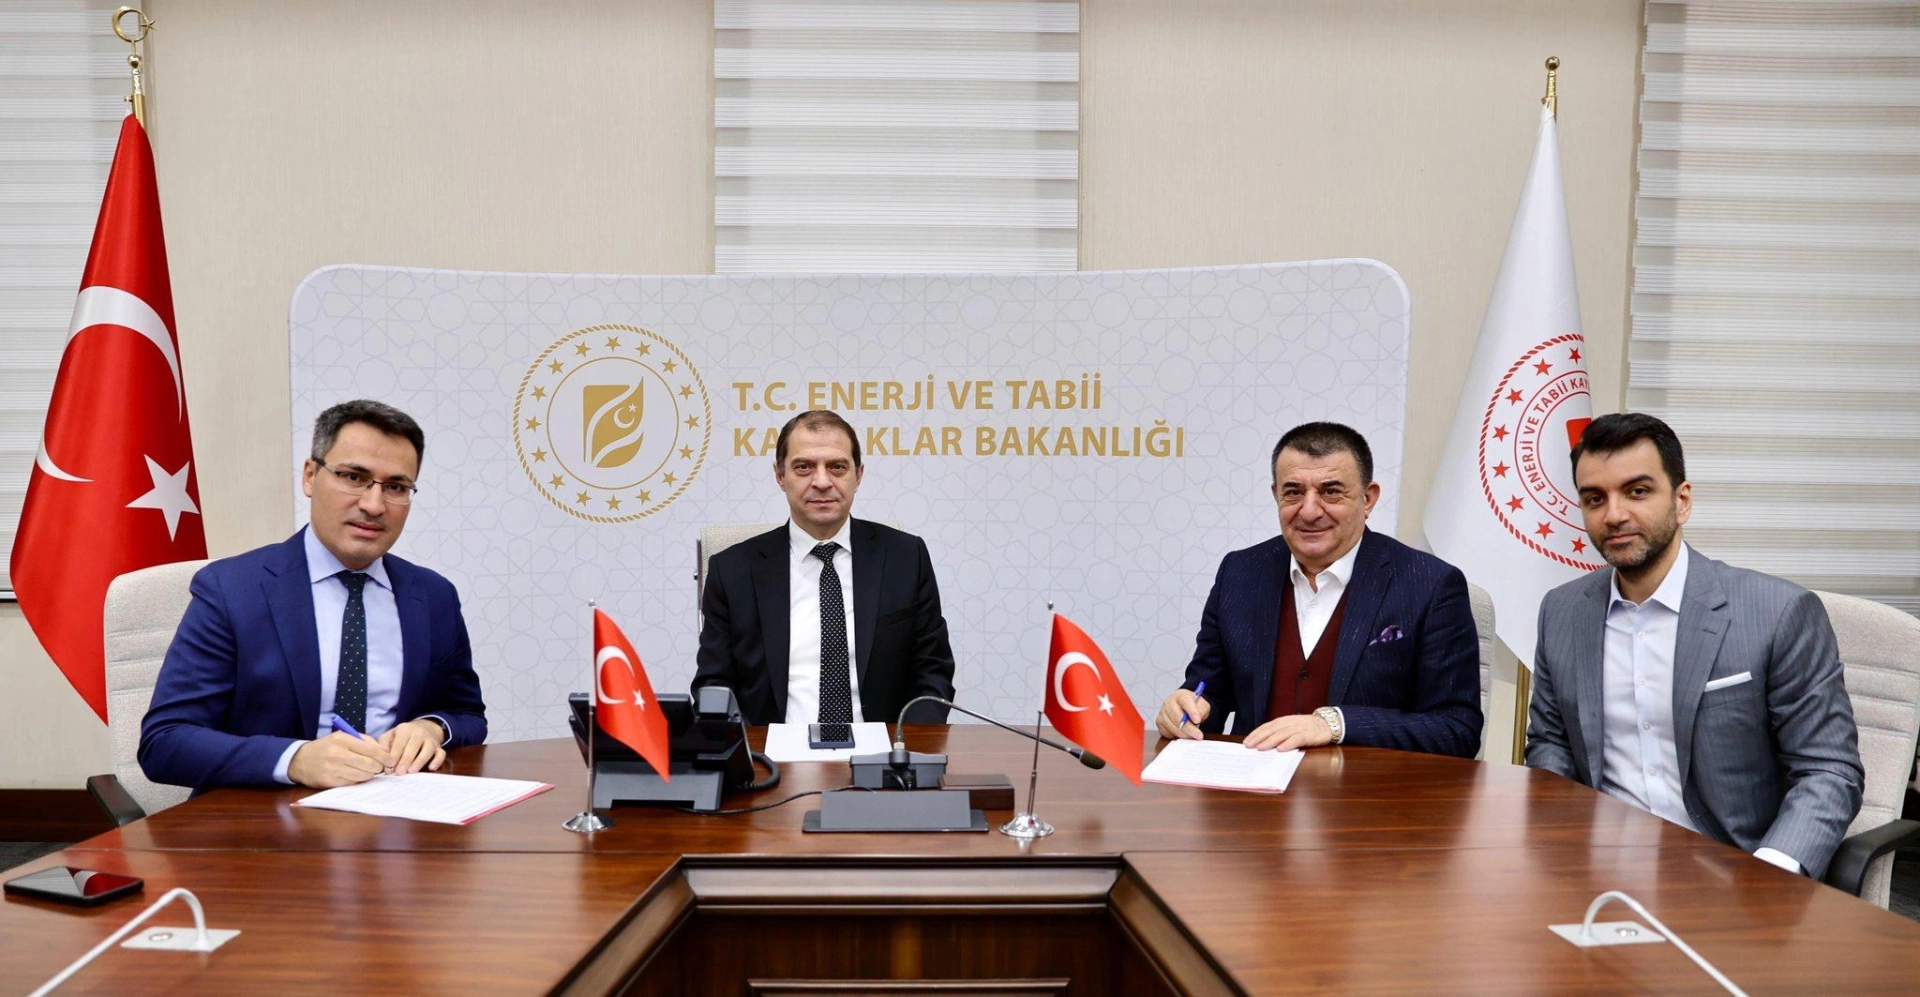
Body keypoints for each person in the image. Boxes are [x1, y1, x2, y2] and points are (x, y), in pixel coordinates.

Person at [1526, 413, 1862, 878]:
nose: (1614, 514)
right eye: (1594, 498)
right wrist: (1557, 838)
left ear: (1682, 501)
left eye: (1637, 491)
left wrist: (1770, 874)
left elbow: (1828, 771)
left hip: (1732, 873)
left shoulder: (1779, 612)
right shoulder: (1562, 612)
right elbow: (1551, 743)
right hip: (1597, 871)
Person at [140, 400, 486, 792]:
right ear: (310, 476)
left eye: (395, 487)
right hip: (263, 817)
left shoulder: (434, 596)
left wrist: (433, 727)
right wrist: (295, 759)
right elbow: (165, 741)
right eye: (353, 477)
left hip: (398, 811)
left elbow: (467, 713)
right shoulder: (230, 590)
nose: (374, 505)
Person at [1154, 422, 1482, 758]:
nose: (1309, 511)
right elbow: (1209, 687)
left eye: (1331, 492)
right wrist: (1188, 706)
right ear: (1276, 495)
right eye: (1293, 492)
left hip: (1364, 788)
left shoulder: (1430, 585)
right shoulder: (1239, 573)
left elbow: (1457, 729)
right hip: (1253, 785)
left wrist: (1337, 724)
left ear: (1368, 499)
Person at [695, 410, 957, 726]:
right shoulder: (732, 570)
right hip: (770, 751)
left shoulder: (906, 557)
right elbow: (714, 686)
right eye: (803, 467)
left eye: (837, 467)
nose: (821, 482)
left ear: (858, 475)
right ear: (780, 476)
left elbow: (932, 672)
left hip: (884, 749)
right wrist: (750, 748)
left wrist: (906, 744)